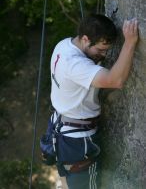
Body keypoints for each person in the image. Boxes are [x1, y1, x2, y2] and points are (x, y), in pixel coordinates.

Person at [49, 14, 138, 189]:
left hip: (60, 131)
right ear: (85, 39)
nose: (104, 55)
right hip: (77, 141)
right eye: (100, 50)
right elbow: (116, 80)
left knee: (67, 182)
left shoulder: (64, 45)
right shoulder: (75, 64)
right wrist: (130, 42)